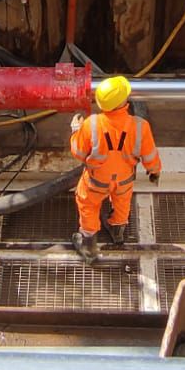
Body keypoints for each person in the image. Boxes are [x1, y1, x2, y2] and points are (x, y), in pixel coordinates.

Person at [68, 75, 160, 262]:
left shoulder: (91, 124)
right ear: (123, 101)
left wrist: (76, 130)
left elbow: (78, 152)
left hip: (96, 180)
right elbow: (149, 154)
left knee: (88, 205)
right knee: (122, 203)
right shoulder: (140, 126)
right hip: (124, 179)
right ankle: (117, 231)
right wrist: (154, 171)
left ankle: (88, 245)